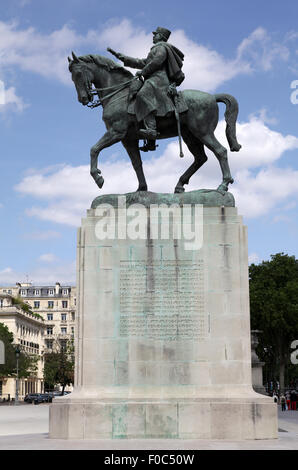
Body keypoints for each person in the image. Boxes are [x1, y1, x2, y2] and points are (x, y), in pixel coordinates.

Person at [107, 27, 185, 151]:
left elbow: (156, 62)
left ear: (161, 36)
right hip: (153, 78)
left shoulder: (161, 47)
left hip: (158, 79)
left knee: (142, 95)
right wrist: (123, 58)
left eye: (155, 34)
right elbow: (144, 62)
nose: (153, 36)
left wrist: (142, 72)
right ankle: (151, 143)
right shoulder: (157, 48)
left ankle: (151, 130)